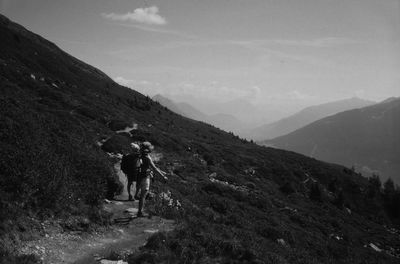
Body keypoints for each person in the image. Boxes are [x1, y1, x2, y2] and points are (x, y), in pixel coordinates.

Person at [136, 141, 168, 217]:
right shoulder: (147, 157)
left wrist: (162, 172)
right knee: (143, 194)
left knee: (142, 194)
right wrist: (163, 176)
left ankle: (139, 210)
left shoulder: (139, 155)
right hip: (145, 177)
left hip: (139, 176)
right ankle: (140, 212)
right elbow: (154, 168)